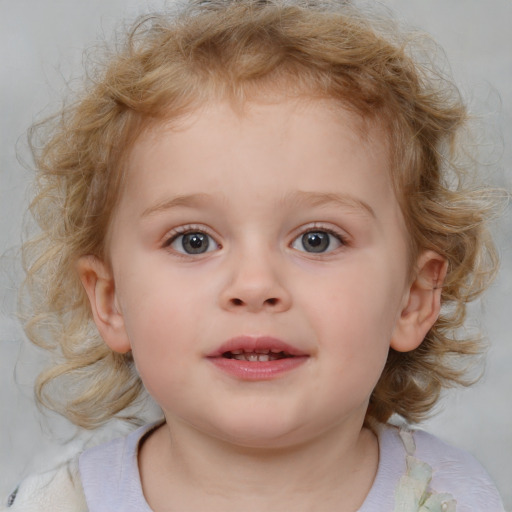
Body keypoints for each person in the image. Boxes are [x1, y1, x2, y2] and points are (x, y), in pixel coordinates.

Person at [4, 1, 506, 510]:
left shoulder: (459, 498)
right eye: (193, 241)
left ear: (413, 299)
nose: (254, 285)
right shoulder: (56, 504)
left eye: (318, 239)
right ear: (111, 301)